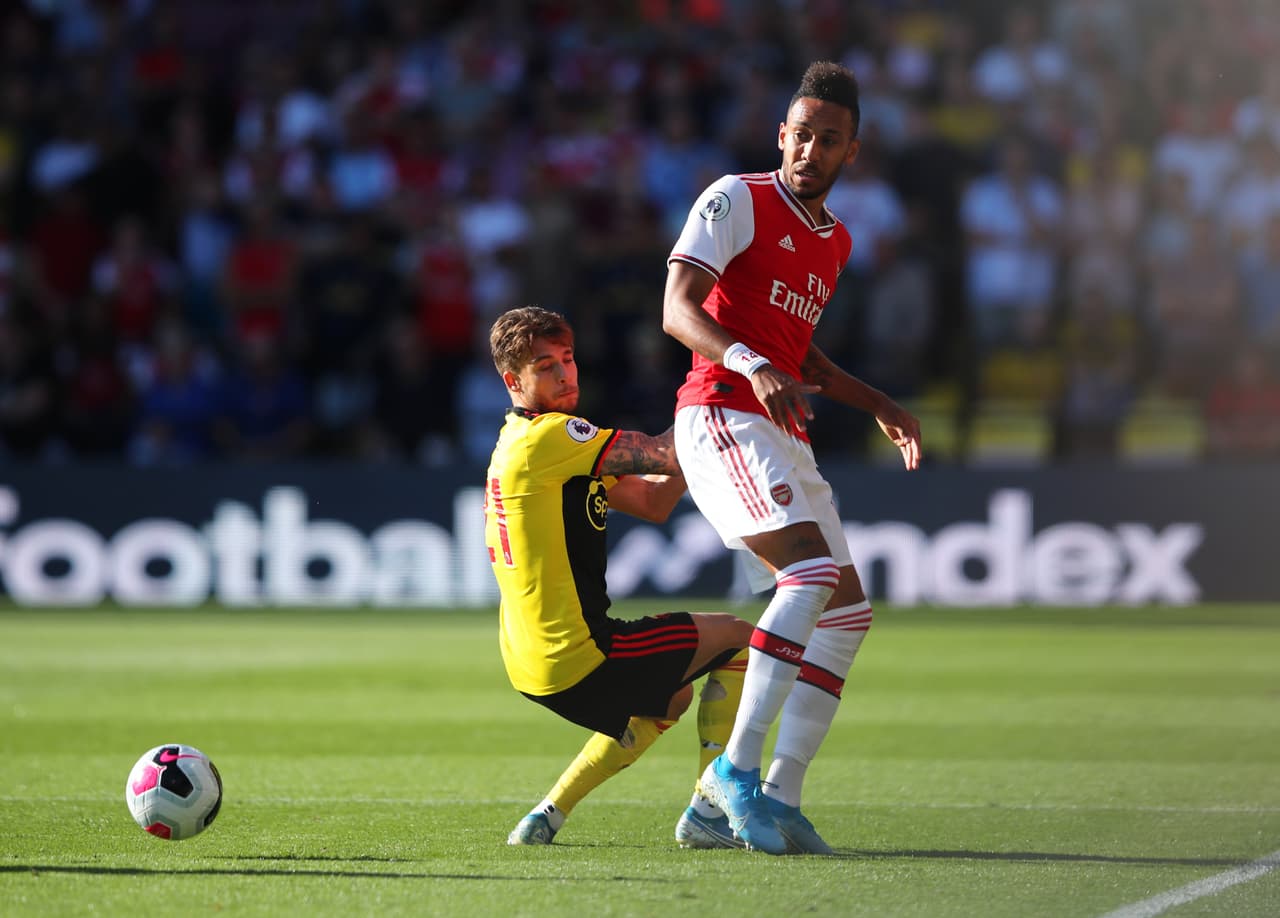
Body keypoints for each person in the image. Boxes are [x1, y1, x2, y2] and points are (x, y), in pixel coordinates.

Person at [661, 61, 922, 855]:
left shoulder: (836, 241)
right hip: (719, 413)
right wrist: (750, 364)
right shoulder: (736, 198)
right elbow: (676, 309)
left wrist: (879, 404)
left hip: (780, 426)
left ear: (851, 151)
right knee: (807, 579)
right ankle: (731, 772)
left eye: (828, 140)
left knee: (846, 615)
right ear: (782, 134)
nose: (811, 150)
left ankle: (775, 798)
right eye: (801, 134)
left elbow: (800, 355)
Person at [484, 305, 753, 847]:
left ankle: (547, 815)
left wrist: (708, 416)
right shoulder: (549, 438)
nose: (565, 374)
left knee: (671, 699)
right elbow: (663, 454)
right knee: (741, 640)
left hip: (531, 663)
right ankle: (710, 810)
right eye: (545, 367)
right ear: (514, 382)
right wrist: (715, 393)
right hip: (582, 653)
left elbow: (654, 500)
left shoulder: (534, 448)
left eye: (568, 359)